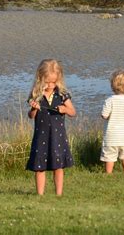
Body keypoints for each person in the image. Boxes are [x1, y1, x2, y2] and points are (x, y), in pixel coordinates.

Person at [27, 59, 76, 196]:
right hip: (41, 135)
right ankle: (40, 194)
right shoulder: (36, 94)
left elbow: (73, 112)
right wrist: (34, 108)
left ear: (58, 80)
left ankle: (58, 194)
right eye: (47, 82)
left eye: (53, 82)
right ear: (40, 78)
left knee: (58, 166)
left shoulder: (62, 94)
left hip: (57, 136)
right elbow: (31, 116)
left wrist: (65, 109)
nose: (50, 85)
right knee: (39, 167)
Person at [100, 69, 124, 174]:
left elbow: (104, 115)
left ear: (112, 85)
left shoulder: (109, 100)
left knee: (109, 157)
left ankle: (108, 174)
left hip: (111, 136)